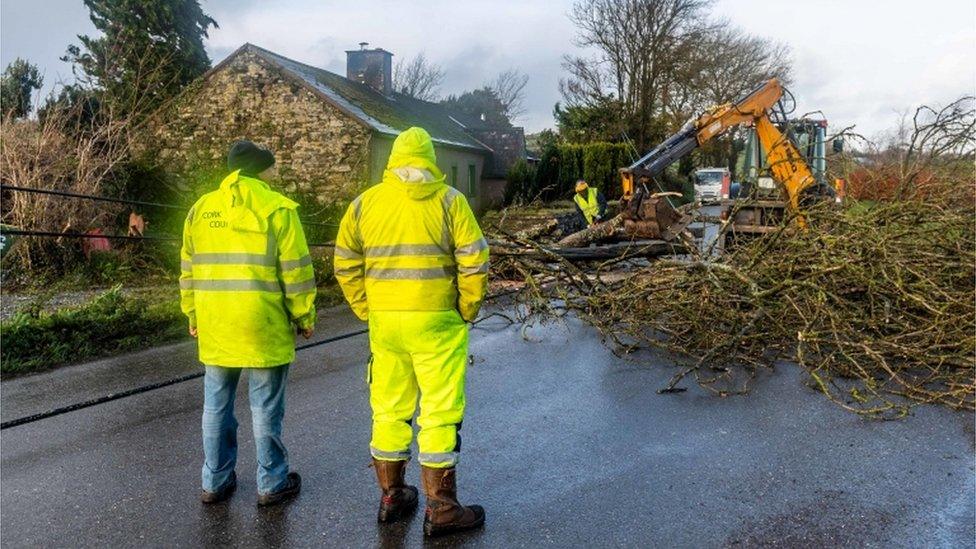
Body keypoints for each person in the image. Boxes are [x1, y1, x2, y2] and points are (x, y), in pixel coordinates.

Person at [334, 127, 489, 537]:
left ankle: (392, 496)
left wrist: (367, 308)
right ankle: (441, 508)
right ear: (431, 159)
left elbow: (345, 261)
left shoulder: (365, 204)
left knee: (389, 408)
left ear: (394, 160)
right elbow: (474, 260)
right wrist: (467, 308)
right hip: (437, 322)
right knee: (439, 410)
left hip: (386, 325)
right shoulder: (450, 201)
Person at [179, 140, 317, 506]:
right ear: (263, 170)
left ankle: (215, 480)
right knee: (265, 407)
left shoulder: (201, 209)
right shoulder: (279, 209)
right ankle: (271, 483)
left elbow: (188, 270)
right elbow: (297, 273)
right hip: (263, 324)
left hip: (215, 323)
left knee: (216, 405)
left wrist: (192, 313)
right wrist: (304, 316)